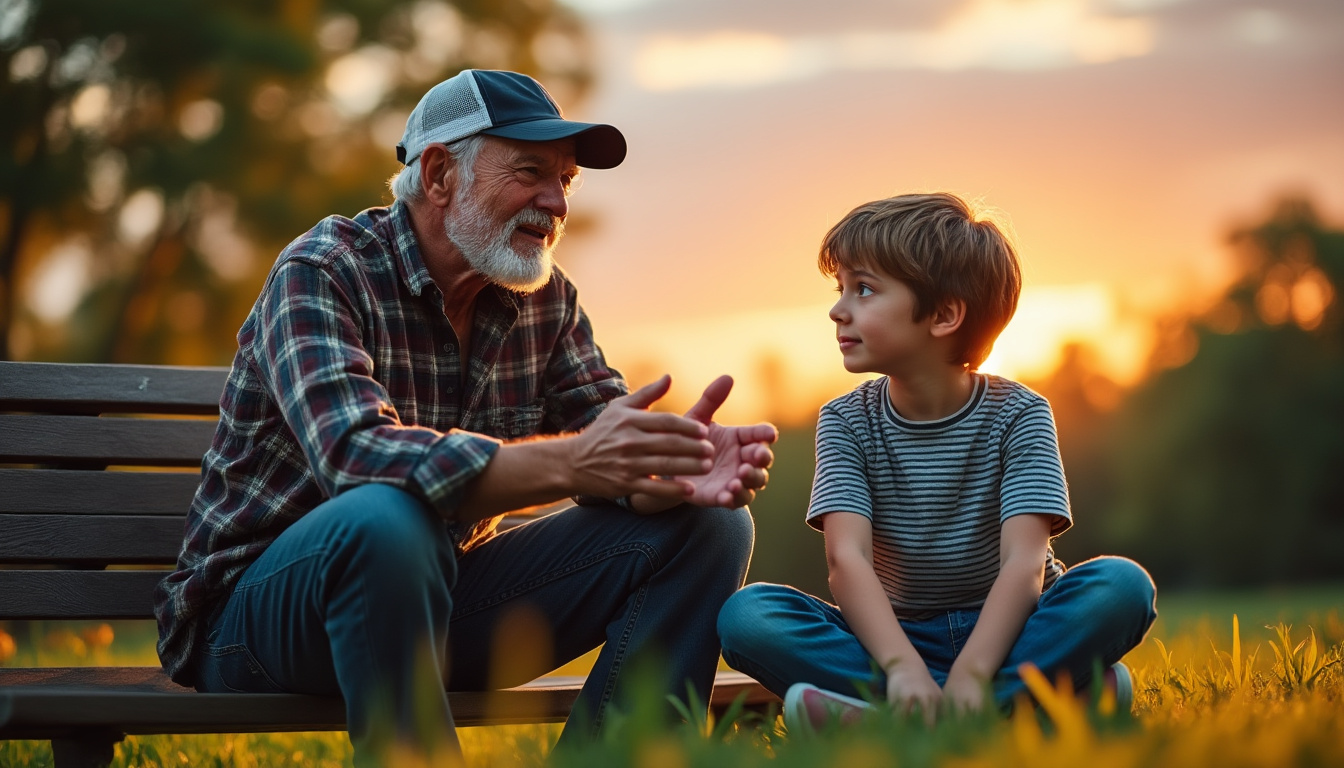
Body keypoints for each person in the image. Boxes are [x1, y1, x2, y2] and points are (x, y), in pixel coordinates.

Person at [153, 69, 777, 764]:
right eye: (531, 172)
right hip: (256, 623)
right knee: (384, 518)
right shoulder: (323, 269)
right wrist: (575, 461)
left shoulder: (544, 300)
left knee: (710, 526)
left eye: (566, 180)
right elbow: (356, 458)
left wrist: (669, 469)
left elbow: (608, 442)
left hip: (435, 605)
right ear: (441, 172)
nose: (556, 202)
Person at [716, 193, 1156, 730]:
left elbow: (1024, 565)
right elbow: (846, 561)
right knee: (748, 616)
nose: (838, 308)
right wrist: (902, 667)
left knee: (1122, 587)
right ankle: (1024, 709)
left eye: (865, 289)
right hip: (891, 638)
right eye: (841, 289)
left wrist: (972, 671)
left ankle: (900, 718)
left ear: (945, 315)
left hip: (1015, 629)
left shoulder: (1021, 414)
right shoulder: (845, 421)